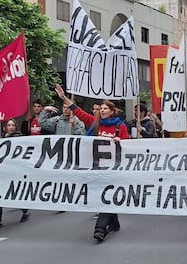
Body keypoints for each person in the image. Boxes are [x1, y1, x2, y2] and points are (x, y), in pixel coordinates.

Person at [55, 84, 131, 243]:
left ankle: (100, 229)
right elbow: (78, 111)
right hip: (96, 167)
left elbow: (129, 145)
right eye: (100, 108)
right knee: (104, 195)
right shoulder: (94, 123)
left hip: (113, 169)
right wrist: (63, 97)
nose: (102, 110)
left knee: (106, 195)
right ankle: (114, 222)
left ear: (112, 111)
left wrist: (120, 141)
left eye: (105, 108)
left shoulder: (120, 126)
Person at [0, 119, 30, 230]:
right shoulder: (2, 140)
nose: (11, 127)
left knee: (15, 194)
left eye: (13, 125)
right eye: (8, 125)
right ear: (4, 128)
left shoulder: (19, 139)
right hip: (3, 172)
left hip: (15, 172)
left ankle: (25, 212)